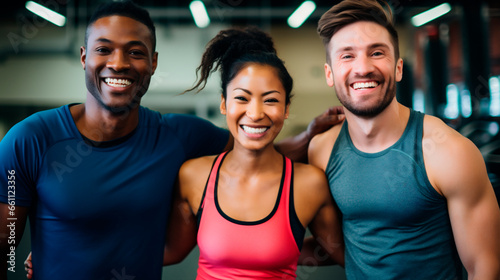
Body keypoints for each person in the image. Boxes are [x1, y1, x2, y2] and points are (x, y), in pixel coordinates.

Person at [0, 1, 343, 279]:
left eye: (135, 52)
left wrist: (309, 134)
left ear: (153, 62)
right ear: (84, 57)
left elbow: (254, 155)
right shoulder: (29, 140)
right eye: (104, 49)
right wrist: (34, 256)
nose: (118, 63)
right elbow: (8, 240)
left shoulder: (180, 136)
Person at [308, 0, 500, 279]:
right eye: (346, 56)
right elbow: (342, 243)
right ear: (329, 73)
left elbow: (485, 268)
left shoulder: (448, 151)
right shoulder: (322, 150)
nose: (362, 68)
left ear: (398, 68)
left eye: (376, 53)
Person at [161, 27, 344, 279]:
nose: (256, 113)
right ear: (224, 104)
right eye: (242, 98)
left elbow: (343, 253)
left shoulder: (310, 183)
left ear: (286, 108)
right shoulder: (193, 176)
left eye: (270, 100)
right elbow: (171, 251)